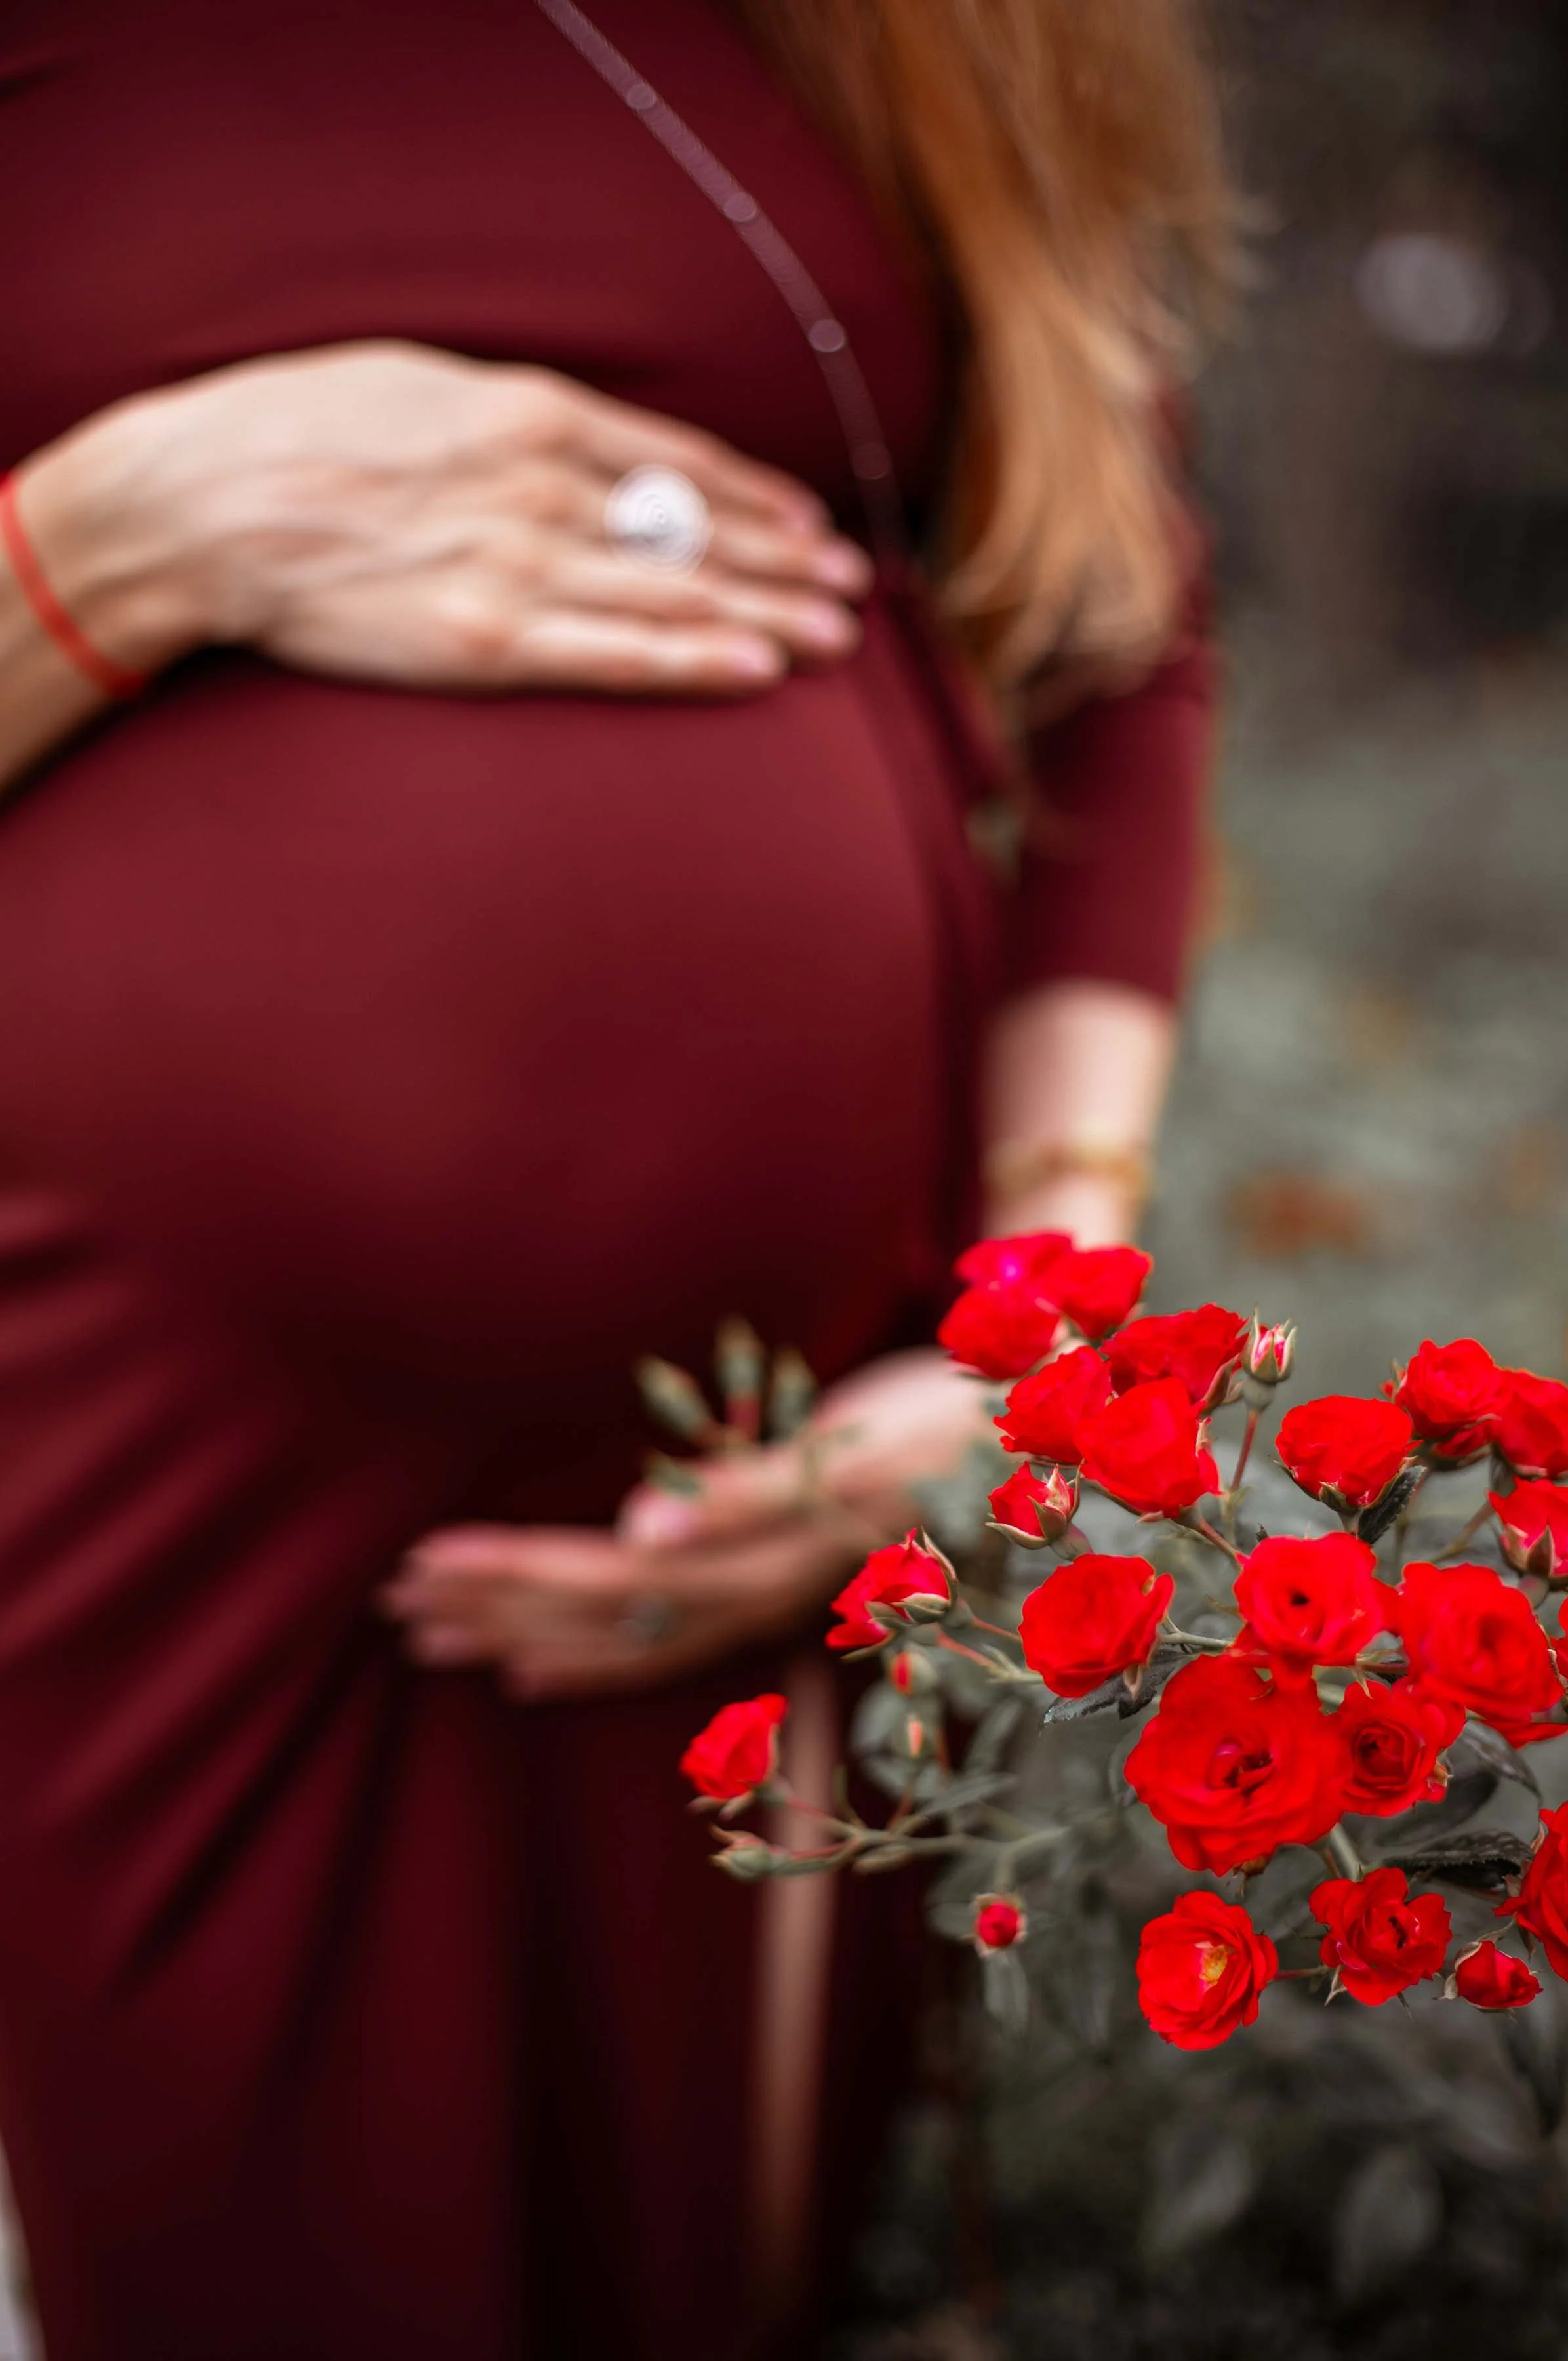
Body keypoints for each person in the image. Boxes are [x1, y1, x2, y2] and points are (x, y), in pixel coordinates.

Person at [0, 1, 1226, 2353]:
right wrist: (108, 549)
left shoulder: (937, 30)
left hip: (778, 1471)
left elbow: (1114, 640)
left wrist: (1046, 1329)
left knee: (707, 2287)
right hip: (148, 1469)